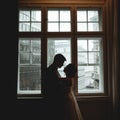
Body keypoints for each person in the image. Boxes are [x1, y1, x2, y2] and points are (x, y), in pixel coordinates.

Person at [43, 53, 66, 120]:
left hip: (54, 99)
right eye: (62, 62)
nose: (62, 64)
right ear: (58, 61)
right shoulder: (51, 70)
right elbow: (53, 85)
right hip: (53, 100)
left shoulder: (53, 69)